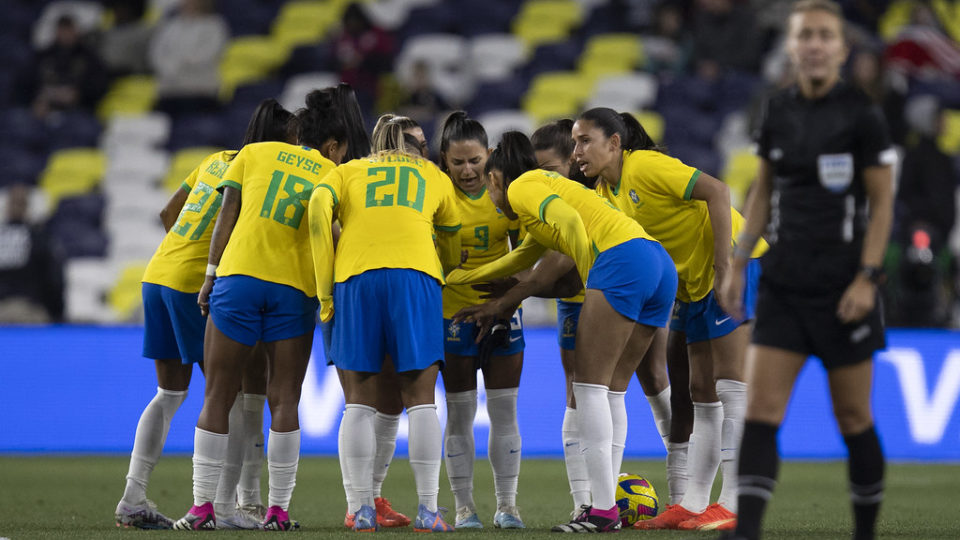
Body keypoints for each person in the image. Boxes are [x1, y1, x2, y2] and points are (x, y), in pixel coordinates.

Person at [717, 2, 895, 539]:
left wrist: (868, 277)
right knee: (762, 411)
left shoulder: (863, 115)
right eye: (805, 36)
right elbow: (764, 187)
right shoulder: (776, 110)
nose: (815, 45)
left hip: (844, 287)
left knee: (853, 419)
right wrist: (738, 260)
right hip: (786, 283)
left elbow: (883, 204)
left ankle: (865, 532)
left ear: (840, 49)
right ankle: (746, 531)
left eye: (824, 36)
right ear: (792, 48)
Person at [447, 132, 677, 533]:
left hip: (619, 263)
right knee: (612, 389)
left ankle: (601, 510)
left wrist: (593, 277)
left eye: (487, 181)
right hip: (656, 262)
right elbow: (520, 259)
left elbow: (570, 223)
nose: (487, 191)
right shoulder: (543, 199)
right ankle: (604, 505)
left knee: (587, 388)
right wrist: (456, 278)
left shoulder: (523, 187)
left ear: (496, 179)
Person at [173, 86, 359, 531]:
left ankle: (203, 508)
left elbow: (228, 213)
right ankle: (277, 510)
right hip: (294, 290)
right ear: (331, 143)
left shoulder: (252, 153)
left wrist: (210, 275)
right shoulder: (332, 172)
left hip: (238, 278)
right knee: (284, 400)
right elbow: (335, 233)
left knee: (218, 393)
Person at [571, 107, 766, 531]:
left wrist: (723, 268)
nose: (576, 152)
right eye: (574, 142)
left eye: (585, 140)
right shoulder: (604, 193)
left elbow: (717, 191)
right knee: (700, 392)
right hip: (693, 286)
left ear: (615, 143)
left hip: (730, 265)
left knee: (732, 385)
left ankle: (734, 502)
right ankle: (695, 503)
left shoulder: (646, 167)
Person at [115, 99, 294, 530]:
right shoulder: (263, 172)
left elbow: (168, 212)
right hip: (195, 285)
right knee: (225, 394)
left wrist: (183, 255)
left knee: (170, 393)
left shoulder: (215, 161)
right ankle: (225, 506)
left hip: (157, 273)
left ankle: (133, 497)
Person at [309, 119, 462, 533]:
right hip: (416, 275)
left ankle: (360, 509)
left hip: (355, 277)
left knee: (358, 400)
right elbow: (451, 239)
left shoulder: (346, 171)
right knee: (421, 397)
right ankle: (429, 511)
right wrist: (440, 271)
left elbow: (318, 210)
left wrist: (325, 289)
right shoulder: (432, 175)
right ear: (413, 147)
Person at [435, 112, 525, 529]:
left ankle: (507, 506)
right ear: (443, 161)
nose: (468, 171)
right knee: (459, 414)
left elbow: (534, 252)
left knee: (505, 412)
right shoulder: (437, 197)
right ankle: (465, 507)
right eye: (458, 163)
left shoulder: (509, 192)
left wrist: (512, 291)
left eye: (475, 161)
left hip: (505, 312)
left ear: (489, 156)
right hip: (454, 314)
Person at [329, 111, 412, 530]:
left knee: (392, 404)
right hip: (356, 292)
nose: (416, 151)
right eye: (409, 142)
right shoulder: (352, 176)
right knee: (359, 399)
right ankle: (356, 503)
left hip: (391, 289)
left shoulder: (419, 182)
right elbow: (322, 219)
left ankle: (373, 496)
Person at [149, 0, 228, 116]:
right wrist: (169, 68)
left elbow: (209, 54)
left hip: (200, 91)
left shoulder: (214, 25)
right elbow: (156, 52)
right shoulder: (170, 26)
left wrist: (181, 63)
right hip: (169, 91)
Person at [22, 14, 106, 119]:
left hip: (78, 110)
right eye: (62, 30)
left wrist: (78, 95)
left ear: (76, 31)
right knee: (20, 122)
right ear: (56, 32)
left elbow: (99, 86)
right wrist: (36, 99)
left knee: (82, 127)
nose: (66, 34)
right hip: (43, 108)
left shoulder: (90, 58)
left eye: (69, 30)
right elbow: (24, 84)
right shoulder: (41, 56)